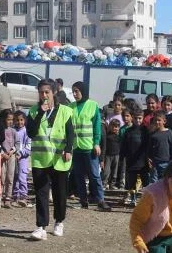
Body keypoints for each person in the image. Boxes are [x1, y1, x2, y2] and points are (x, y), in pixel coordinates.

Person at [28, 79, 75, 240]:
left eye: (47, 92)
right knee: (41, 193)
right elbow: (31, 133)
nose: (44, 95)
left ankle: (59, 221)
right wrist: (40, 113)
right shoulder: (33, 111)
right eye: (41, 92)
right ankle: (41, 226)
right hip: (40, 159)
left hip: (59, 159)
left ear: (54, 92)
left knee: (59, 193)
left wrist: (68, 149)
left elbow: (70, 133)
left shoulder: (66, 111)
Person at [70, 81, 112, 211]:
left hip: (89, 147)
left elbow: (96, 127)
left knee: (94, 175)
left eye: (77, 91)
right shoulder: (70, 106)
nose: (74, 94)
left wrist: (96, 143)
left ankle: (100, 200)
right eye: (73, 91)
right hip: (76, 147)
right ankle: (83, 201)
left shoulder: (93, 105)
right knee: (78, 176)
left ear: (83, 91)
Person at [121, 110, 149, 207]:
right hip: (131, 160)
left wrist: (149, 157)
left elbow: (148, 145)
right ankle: (133, 199)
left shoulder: (146, 131)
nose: (138, 120)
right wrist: (122, 157)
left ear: (143, 118)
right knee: (131, 181)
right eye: (136, 118)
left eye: (140, 118)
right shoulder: (128, 131)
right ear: (132, 118)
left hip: (143, 161)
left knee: (145, 182)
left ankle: (146, 199)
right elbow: (124, 145)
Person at [147, 111, 172, 182]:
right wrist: (149, 158)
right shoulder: (153, 133)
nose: (157, 122)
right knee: (154, 181)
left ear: (164, 121)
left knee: (165, 181)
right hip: (154, 163)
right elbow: (149, 147)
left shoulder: (169, 132)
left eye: (159, 120)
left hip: (166, 162)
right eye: (155, 120)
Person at [12, 111, 32, 207]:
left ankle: (23, 196)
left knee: (22, 177)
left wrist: (21, 153)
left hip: (23, 158)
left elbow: (29, 146)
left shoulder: (27, 132)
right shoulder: (13, 131)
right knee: (14, 177)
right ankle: (15, 196)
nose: (19, 122)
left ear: (25, 120)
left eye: (21, 120)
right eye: (17, 120)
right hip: (13, 157)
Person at [0, 109, 17, 208]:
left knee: (10, 177)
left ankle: (8, 198)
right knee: (1, 177)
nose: (10, 121)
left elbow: (17, 143)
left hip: (11, 156)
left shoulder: (13, 131)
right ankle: (0, 197)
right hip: (1, 157)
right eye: (8, 119)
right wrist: (2, 153)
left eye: (12, 119)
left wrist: (11, 151)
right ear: (3, 119)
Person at [102, 118, 122, 190]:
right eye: (113, 126)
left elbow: (120, 145)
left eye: (116, 127)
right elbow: (104, 146)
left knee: (115, 171)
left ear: (119, 128)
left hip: (116, 155)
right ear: (110, 126)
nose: (114, 128)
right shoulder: (107, 136)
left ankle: (112, 184)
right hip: (108, 155)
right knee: (106, 171)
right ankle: (104, 184)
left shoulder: (119, 136)